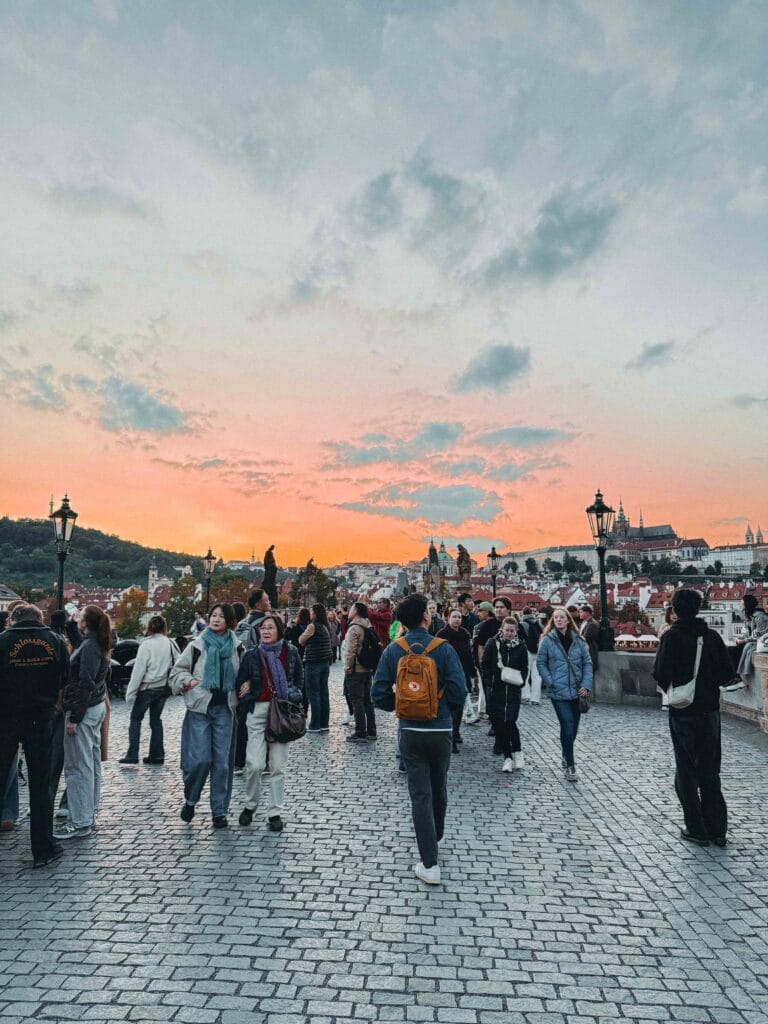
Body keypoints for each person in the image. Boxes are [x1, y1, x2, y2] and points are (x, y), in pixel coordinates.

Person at [372, 595, 467, 885]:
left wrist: (401, 707)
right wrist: (439, 710)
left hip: (410, 732)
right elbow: (459, 691)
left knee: (420, 795)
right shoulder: (444, 649)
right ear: (426, 618)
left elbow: (378, 694)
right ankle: (435, 836)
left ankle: (429, 862)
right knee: (438, 787)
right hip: (439, 731)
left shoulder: (394, 650)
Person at [653, 588, 735, 847]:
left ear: (675, 610)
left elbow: (660, 673)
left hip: (683, 711)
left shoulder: (671, 637)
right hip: (709, 711)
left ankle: (696, 829)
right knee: (710, 771)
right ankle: (718, 829)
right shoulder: (711, 637)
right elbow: (726, 674)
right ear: (698, 608)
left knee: (687, 770)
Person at [0, 604, 69, 866]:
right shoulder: (55, 641)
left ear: (12, 619)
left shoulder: (3, 641)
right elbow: (64, 678)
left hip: (6, 719)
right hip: (41, 718)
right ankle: (43, 849)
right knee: (41, 785)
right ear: (39, 619)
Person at [170, 603, 243, 828]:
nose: (216, 619)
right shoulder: (196, 646)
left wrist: (247, 684)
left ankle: (219, 811)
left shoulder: (238, 647)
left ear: (230, 621)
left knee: (222, 764)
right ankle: (191, 799)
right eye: (213, 615)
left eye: (221, 616)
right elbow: (176, 672)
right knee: (199, 760)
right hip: (200, 708)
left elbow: (245, 673)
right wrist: (187, 681)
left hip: (225, 708)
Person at [236, 613, 303, 832]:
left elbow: (299, 681)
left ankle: (275, 812)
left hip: (282, 710)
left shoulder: (291, 652)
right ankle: (250, 804)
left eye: (270, 628)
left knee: (278, 766)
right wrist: (247, 697)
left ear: (279, 631)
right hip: (258, 710)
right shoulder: (251, 656)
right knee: (254, 764)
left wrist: (294, 698)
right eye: (262, 628)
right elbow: (240, 683)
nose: (265, 631)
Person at [56, 605, 111, 841]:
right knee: (90, 763)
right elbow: (79, 643)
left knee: (78, 766)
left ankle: (80, 821)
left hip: (84, 710)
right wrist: (71, 623)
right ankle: (88, 812)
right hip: (95, 707)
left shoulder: (90, 647)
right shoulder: (96, 641)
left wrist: (75, 717)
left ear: (86, 622)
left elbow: (85, 681)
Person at [536, 608, 592, 782]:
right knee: (567, 725)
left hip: (577, 691)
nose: (559, 620)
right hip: (558, 691)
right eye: (556, 618)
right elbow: (540, 662)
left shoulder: (579, 640)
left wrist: (586, 686)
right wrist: (550, 681)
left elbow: (587, 663)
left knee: (573, 729)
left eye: (562, 617)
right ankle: (571, 765)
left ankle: (565, 752)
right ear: (553, 621)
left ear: (568, 620)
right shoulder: (547, 640)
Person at [120, 614, 179, 766]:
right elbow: (178, 663)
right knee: (156, 720)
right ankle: (157, 754)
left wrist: (131, 692)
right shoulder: (170, 643)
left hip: (147, 688)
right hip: (163, 687)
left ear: (150, 628)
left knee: (135, 719)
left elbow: (138, 671)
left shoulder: (146, 645)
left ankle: (132, 754)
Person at [481, 615, 529, 772]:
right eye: (507, 630)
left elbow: (525, 668)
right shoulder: (492, 643)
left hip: (513, 690)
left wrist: (521, 681)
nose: (509, 633)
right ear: (502, 629)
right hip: (497, 690)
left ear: (516, 631)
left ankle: (518, 751)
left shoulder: (520, 647)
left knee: (510, 723)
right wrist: (490, 681)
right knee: (499, 725)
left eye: (512, 631)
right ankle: (507, 757)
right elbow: (485, 664)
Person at [436, 608, 474, 753]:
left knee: (459, 704)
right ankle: (450, 737)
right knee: (448, 705)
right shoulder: (442, 634)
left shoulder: (464, 634)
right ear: (448, 618)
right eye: (454, 617)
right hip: (446, 674)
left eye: (459, 617)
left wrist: (472, 671)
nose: (457, 619)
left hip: (462, 672)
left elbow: (468, 655)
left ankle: (456, 731)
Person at [343, 602, 377, 743]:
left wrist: (348, 669)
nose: (349, 611)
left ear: (356, 611)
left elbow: (350, 651)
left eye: (351, 609)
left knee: (357, 701)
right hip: (367, 668)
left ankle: (360, 732)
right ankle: (371, 731)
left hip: (356, 669)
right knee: (367, 701)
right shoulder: (367, 625)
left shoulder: (354, 628)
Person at [298, 603, 332, 732]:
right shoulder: (325, 626)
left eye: (312, 612)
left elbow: (301, 640)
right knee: (324, 693)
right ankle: (324, 723)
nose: (310, 614)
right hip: (325, 663)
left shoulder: (312, 626)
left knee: (313, 693)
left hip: (313, 663)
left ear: (315, 614)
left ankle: (314, 724)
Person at [731, 595, 768, 691]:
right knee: (729, 649)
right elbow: (749, 633)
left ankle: (738, 678)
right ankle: (734, 677)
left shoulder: (760, 617)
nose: (740, 606)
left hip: (760, 643)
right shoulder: (750, 616)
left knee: (736, 650)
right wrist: (741, 639)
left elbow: (760, 635)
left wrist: (743, 641)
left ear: (747, 605)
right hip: (753, 642)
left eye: (742, 604)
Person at [518, 606, 543, 704]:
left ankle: (525, 696)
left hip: (526, 651)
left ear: (523, 614)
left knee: (525, 674)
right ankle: (535, 698)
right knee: (537, 676)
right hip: (538, 652)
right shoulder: (539, 624)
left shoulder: (523, 624)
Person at [578, 605, 600, 674]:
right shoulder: (584, 623)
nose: (579, 614)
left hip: (590, 652)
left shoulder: (592, 624)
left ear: (587, 613)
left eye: (581, 612)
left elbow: (586, 638)